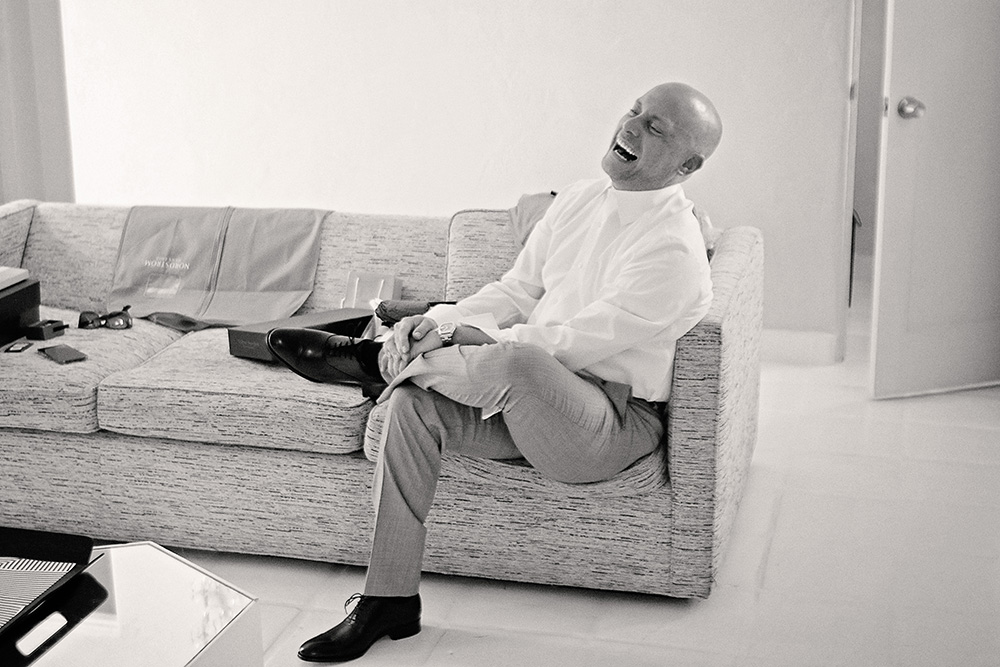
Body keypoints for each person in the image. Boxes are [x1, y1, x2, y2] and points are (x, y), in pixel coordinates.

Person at [266, 81, 722, 663]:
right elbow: (515, 290)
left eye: (655, 127)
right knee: (412, 408)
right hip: (526, 402)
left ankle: (375, 361)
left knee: (517, 359)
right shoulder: (582, 198)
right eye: (634, 111)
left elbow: (568, 345)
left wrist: (467, 335)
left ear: (687, 165)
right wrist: (439, 321)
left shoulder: (674, 253)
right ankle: (389, 598)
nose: (630, 127)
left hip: (606, 421)